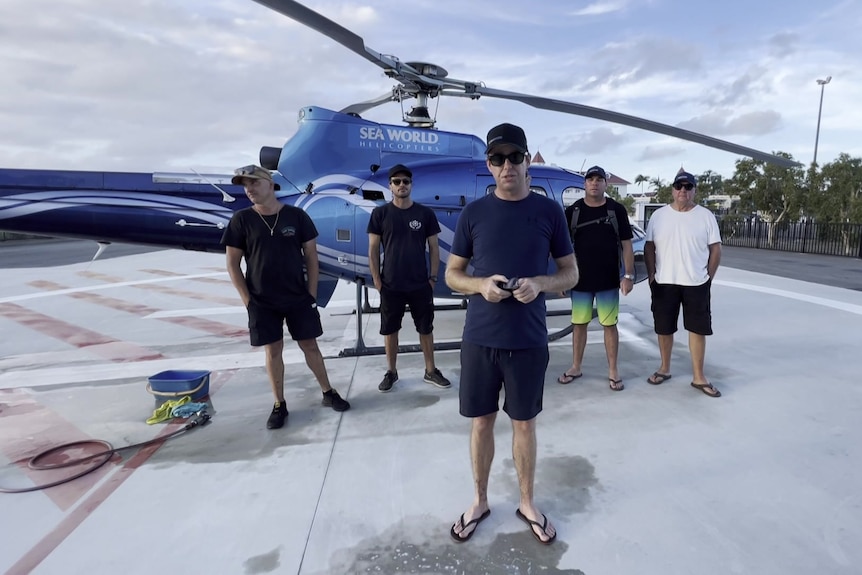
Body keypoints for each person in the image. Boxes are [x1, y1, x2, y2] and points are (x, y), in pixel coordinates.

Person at [445, 123, 578, 545]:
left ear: (527, 164)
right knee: (482, 422)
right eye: (498, 159)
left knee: (524, 425)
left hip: (528, 340)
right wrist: (480, 285)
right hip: (481, 338)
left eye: (515, 157)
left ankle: (526, 502)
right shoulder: (473, 214)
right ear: (489, 165)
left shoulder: (549, 213)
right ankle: (480, 500)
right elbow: (452, 275)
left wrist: (539, 284)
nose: (507, 166)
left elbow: (571, 273)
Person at [222, 164, 350, 429]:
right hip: (262, 300)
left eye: (254, 183)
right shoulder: (241, 220)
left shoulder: (297, 216)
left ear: (270, 184)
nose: (249, 189)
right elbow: (232, 264)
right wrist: (248, 301)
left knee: (310, 345)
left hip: (297, 297)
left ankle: (328, 392)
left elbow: (311, 258)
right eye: (245, 185)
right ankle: (279, 403)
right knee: (273, 350)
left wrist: (311, 294)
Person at [367, 164, 452, 392]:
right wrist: (376, 279)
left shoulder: (424, 214)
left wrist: (433, 278)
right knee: (390, 330)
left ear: (411, 185)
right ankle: (391, 372)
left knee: (425, 328)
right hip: (391, 284)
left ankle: (430, 370)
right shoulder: (380, 214)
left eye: (406, 181)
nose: (401, 185)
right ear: (390, 186)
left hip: (420, 284)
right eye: (397, 181)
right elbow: (373, 249)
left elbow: (434, 248)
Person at [644, 170, 722, 397]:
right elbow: (649, 246)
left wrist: (709, 276)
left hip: (696, 283)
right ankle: (664, 368)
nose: (683, 191)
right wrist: (651, 275)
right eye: (679, 186)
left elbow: (716, 248)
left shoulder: (705, 216)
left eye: (688, 187)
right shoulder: (659, 216)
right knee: (664, 328)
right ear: (673, 189)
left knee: (698, 329)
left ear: (694, 190)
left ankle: (699, 376)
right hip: (664, 281)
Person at [559, 165, 635, 391]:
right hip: (579, 281)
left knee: (609, 325)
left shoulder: (616, 210)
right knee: (579, 324)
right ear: (584, 184)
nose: (594, 183)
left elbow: (627, 245)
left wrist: (628, 275)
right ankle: (576, 366)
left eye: (598, 179)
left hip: (608, 280)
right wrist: (562, 277)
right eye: (590, 179)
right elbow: (562, 247)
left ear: (605, 184)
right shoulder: (573, 211)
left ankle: (613, 370)